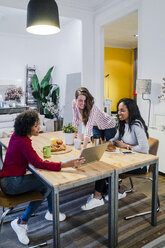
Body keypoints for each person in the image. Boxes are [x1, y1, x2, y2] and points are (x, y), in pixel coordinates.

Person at [0, 110, 84, 245]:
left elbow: (29, 157)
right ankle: (22, 221)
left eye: (38, 124)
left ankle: (51, 211)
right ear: (27, 127)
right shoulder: (24, 142)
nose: (39, 128)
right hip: (12, 184)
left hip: (7, 179)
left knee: (46, 182)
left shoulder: (17, 136)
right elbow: (38, 163)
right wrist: (67, 164)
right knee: (47, 184)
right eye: (36, 126)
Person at [81, 98, 149, 210]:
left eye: (122, 110)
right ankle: (119, 191)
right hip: (127, 159)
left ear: (131, 111)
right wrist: (106, 143)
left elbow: (144, 148)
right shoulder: (123, 124)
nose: (119, 113)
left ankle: (97, 197)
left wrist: (125, 146)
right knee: (102, 163)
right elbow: (115, 138)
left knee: (105, 168)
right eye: (118, 110)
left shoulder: (137, 125)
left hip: (140, 164)